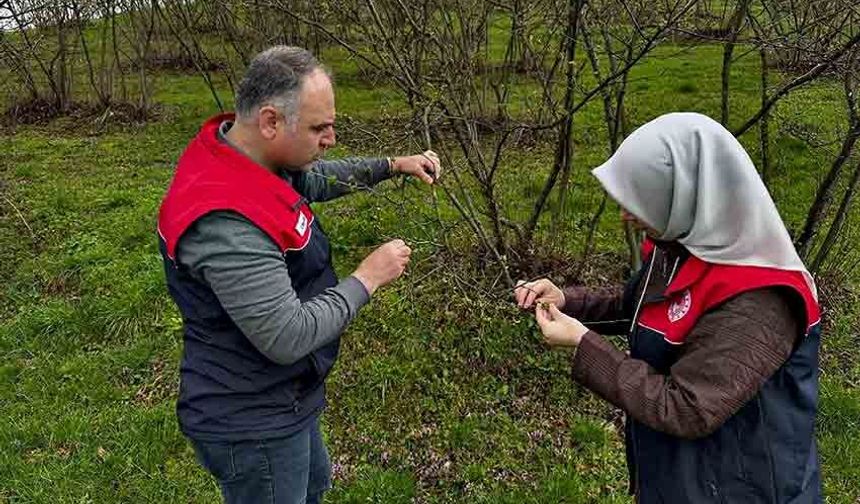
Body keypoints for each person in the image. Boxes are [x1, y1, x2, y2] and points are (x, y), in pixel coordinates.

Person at [157, 46, 441, 504]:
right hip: (251, 417)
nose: (330, 139)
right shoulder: (227, 222)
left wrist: (392, 165)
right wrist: (367, 277)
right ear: (271, 121)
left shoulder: (251, 159)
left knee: (312, 486)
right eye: (318, 128)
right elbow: (286, 335)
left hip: (285, 395)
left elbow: (315, 178)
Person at [515, 112, 821, 503]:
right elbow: (641, 306)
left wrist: (583, 345)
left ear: (685, 194)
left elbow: (687, 407)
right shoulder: (683, 246)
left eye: (639, 201)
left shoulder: (761, 300)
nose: (625, 215)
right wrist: (567, 301)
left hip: (741, 489)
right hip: (681, 480)